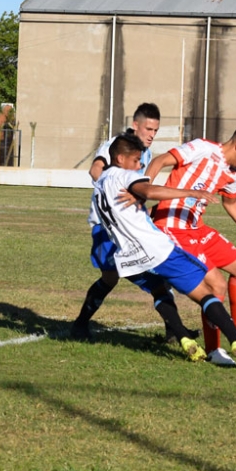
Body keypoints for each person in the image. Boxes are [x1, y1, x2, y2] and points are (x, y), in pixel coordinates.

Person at [93, 133, 236, 370]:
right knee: (212, 288)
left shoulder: (101, 184)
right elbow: (150, 184)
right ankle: (225, 346)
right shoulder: (131, 175)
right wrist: (156, 191)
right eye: (136, 161)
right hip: (166, 236)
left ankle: (197, 334)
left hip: (135, 252)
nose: (139, 166)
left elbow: (230, 201)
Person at [145, 125, 236, 367]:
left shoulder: (234, 172)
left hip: (196, 227)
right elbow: (160, 160)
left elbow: (231, 203)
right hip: (172, 226)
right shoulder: (202, 148)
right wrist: (142, 190)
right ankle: (214, 349)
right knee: (216, 285)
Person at [71, 103, 195, 343]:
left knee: (145, 276)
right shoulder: (115, 145)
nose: (152, 134)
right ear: (135, 125)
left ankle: (174, 330)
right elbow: (96, 170)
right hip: (109, 228)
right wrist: (115, 194)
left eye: (155, 130)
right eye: (148, 129)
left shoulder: (142, 153)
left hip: (127, 228)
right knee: (117, 278)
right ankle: (80, 325)